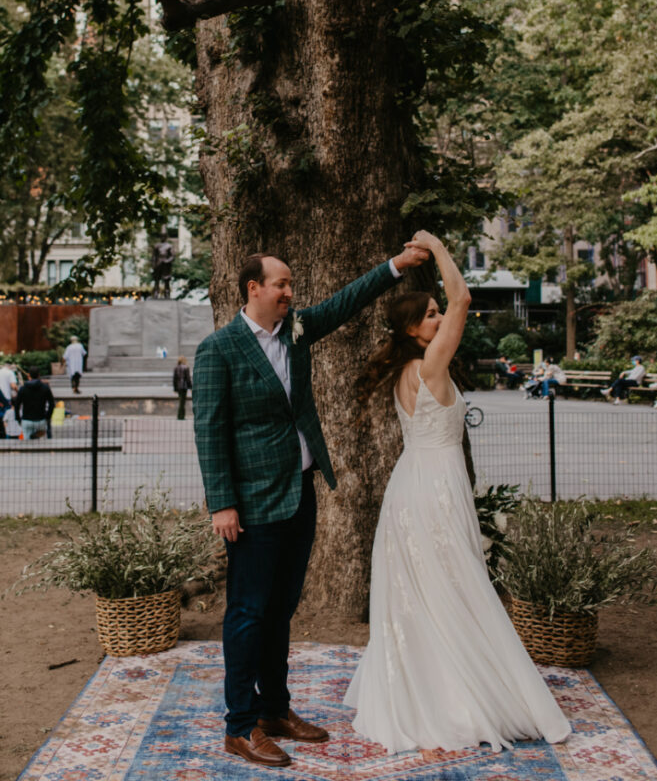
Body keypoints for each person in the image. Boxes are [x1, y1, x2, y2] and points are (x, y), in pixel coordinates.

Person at [192, 242, 429, 768]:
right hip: (250, 505)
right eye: (281, 285)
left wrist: (397, 266)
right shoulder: (220, 348)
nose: (289, 293)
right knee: (248, 613)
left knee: (280, 610)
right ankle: (240, 727)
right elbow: (209, 433)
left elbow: (346, 302)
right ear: (253, 288)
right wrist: (222, 504)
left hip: (301, 492)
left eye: (291, 285)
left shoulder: (295, 330)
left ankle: (275, 710)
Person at [344, 231, 570, 754]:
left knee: (431, 593)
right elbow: (463, 299)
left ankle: (431, 687)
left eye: (436, 313)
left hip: (413, 484)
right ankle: (455, 696)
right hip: (434, 490)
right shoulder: (429, 366)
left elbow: (454, 309)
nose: (440, 319)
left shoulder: (408, 370)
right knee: (455, 586)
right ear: (411, 330)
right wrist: (440, 249)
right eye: (429, 315)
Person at [15, 366, 55, 439]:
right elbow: (52, 404)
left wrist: (18, 419)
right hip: (41, 420)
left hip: (26, 420)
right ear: (39, 375)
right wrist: (48, 416)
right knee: (42, 443)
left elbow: (17, 405)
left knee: (27, 444)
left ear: (29, 375)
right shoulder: (45, 388)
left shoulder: (23, 389)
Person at [0, 362, 18, 439]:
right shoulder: (10, 373)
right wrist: (19, 392)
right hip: (6, 399)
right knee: (7, 419)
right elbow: (13, 386)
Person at [172, 355, 192, 420]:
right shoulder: (186, 367)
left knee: (181, 401)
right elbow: (188, 379)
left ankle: (180, 415)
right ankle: (181, 416)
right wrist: (190, 387)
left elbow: (174, 379)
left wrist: (175, 388)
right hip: (184, 387)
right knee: (182, 402)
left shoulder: (176, 368)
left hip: (178, 387)